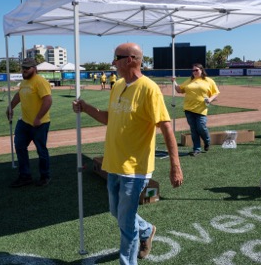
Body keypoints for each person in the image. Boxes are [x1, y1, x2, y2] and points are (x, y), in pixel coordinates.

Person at [72, 43, 183, 264]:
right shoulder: (118, 85)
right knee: (117, 213)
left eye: (116, 58)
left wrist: (175, 165)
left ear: (131, 59)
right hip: (113, 163)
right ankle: (146, 230)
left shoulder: (149, 89)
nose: (113, 62)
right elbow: (109, 118)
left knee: (125, 222)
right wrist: (86, 108)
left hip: (135, 168)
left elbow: (166, 126)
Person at [6, 58, 53, 188]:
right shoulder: (24, 82)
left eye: (27, 68)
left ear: (34, 68)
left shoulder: (40, 81)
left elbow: (48, 100)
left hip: (40, 123)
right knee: (20, 146)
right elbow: (19, 95)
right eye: (23, 68)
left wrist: (38, 118)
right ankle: (25, 176)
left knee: (41, 150)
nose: (24, 70)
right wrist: (10, 107)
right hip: (24, 122)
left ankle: (45, 176)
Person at [171, 64, 220, 156]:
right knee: (194, 130)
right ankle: (196, 149)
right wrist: (174, 82)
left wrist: (210, 99)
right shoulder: (189, 80)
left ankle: (207, 141)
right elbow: (179, 90)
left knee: (201, 127)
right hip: (188, 109)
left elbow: (216, 92)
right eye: (193, 70)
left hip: (201, 109)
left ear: (201, 70)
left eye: (196, 70)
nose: (194, 72)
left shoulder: (208, 81)